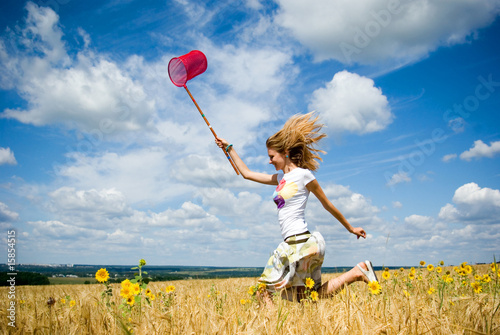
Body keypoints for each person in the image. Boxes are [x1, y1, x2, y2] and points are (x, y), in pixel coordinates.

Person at [215, 112, 378, 303]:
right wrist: (229, 148)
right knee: (309, 296)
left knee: (263, 292)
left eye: (271, 156)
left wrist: (350, 228)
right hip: (297, 243)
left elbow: (327, 204)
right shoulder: (279, 179)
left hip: (298, 243)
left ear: (285, 152)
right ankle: (358, 272)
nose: (269, 161)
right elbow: (247, 174)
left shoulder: (303, 175)